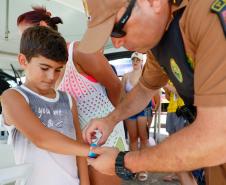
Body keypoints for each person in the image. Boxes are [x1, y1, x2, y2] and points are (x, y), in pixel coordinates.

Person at [79, 0, 226, 185]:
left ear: (152, 2)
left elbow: (217, 136)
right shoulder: (160, 38)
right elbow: (145, 88)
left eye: (117, 29)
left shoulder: (205, 15)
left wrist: (123, 162)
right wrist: (110, 119)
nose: (116, 44)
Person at [17, 7, 126, 185]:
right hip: (74, 145)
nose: (25, 41)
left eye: (26, 34)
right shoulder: (43, 72)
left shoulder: (80, 51)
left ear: (43, 26)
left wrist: (112, 121)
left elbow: (116, 87)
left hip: (103, 137)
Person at [1, 26, 90, 185]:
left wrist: (85, 183)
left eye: (58, 70)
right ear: (23, 61)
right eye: (44, 68)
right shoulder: (13, 97)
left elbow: (78, 147)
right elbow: (42, 139)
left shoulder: (68, 99)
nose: (51, 77)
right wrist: (95, 152)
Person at [121, 52, 149, 181]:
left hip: (143, 110)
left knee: (143, 138)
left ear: (142, 61)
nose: (135, 62)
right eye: (134, 60)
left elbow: (152, 94)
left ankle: (143, 167)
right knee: (132, 139)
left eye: (138, 60)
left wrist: (150, 113)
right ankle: (134, 167)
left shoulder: (146, 76)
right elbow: (121, 96)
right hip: (130, 111)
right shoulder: (126, 76)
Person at [164, 82, 197, 185]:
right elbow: (169, 97)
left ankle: (189, 173)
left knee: (182, 144)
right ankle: (176, 172)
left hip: (183, 110)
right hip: (171, 110)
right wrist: (167, 91)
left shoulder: (181, 73)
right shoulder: (169, 78)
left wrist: (168, 86)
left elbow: (184, 92)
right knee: (172, 144)